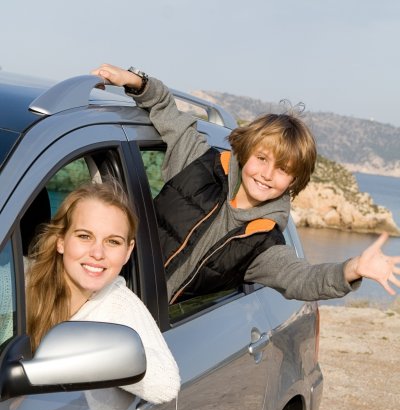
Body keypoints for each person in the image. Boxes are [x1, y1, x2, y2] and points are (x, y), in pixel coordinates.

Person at [91, 64, 400, 303]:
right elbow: (166, 111)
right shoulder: (198, 164)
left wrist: (351, 269)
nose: (267, 174)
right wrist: (137, 81)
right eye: (262, 159)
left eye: (282, 169)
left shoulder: (264, 244)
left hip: (144, 326)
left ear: (294, 180)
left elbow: (301, 279)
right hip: (94, 283)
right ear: (246, 151)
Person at [25, 180, 180, 405]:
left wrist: (90, 349)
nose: (97, 253)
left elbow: (166, 386)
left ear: (128, 252)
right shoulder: (17, 280)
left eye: (113, 242)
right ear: (61, 241)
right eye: (84, 236)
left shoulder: (118, 305)